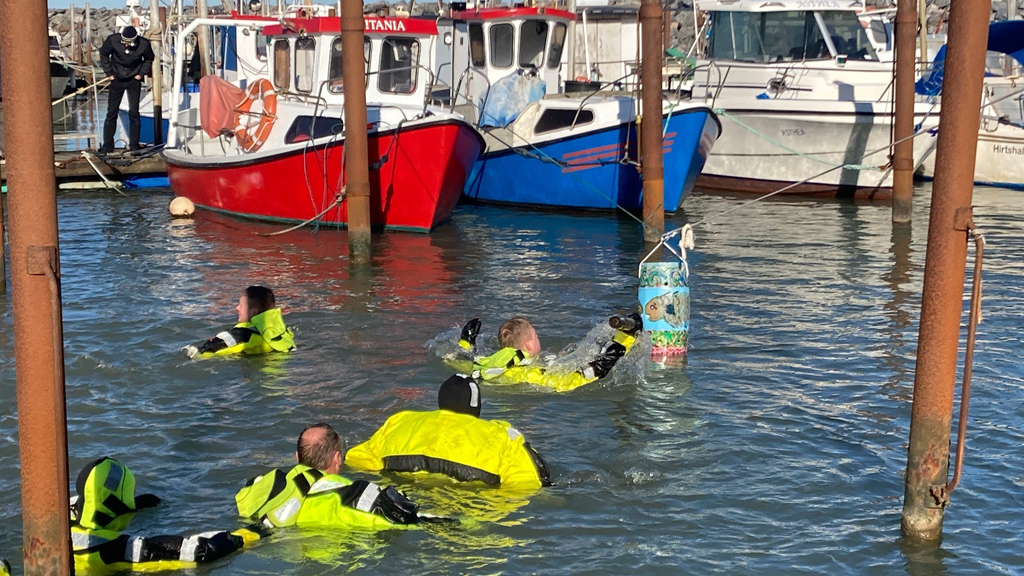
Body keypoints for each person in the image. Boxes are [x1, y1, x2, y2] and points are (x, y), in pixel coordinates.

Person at [345, 375, 551, 489]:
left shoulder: (399, 422)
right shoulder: (502, 436)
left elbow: (357, 461)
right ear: (476, 408)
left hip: (407, 496)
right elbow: (525, 485)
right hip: (473, 511)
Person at [71, 457, 252, 571]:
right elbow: (199, 551)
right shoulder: (111, 549)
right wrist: (254, 532)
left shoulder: (63, 514)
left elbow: (96, 500)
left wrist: (134, 505)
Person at [234, 423, 426, 530]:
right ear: (337, 458)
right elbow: (408, 523)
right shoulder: (352, 495)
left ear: (297, 457)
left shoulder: (264, 487)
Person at [446, 313, 644, 393]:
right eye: (535, 335)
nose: (538, 337)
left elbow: (459, 360)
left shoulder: (491, 362)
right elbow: (567, 383)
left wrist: (466, 342)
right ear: (528, 346)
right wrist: (610, 356)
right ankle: (622, 340)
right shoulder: (528, 373)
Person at [184, 285, 295, 358]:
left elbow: (213, 346)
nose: (237, 308)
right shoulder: (281, 329)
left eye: (241, 306)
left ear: (253, 312)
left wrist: (196, 351)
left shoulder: (242, 332)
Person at [98, 26, 154, 153]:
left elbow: (149, 59)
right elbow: (104, 54)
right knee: (111, 112)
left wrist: (141, 74)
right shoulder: (113, 40)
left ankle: (134, 145)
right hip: (116, 79)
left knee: (134, 113)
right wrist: (109, 73)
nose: (126, 44)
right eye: (124, 42)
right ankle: (108, 146)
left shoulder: (144, 44)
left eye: (129, 42)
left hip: (133, 79)